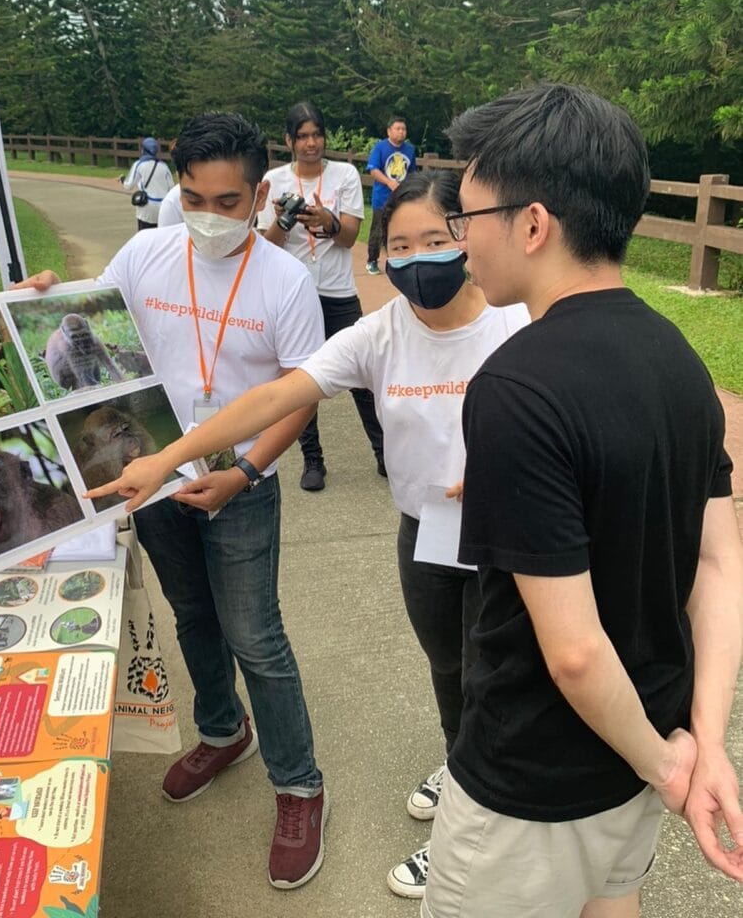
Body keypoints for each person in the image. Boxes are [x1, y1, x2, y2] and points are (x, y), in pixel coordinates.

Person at [85, 168, 529, 900]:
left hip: (507, 538)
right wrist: (166, 459)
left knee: (501, 677)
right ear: (380, 255)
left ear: (467, 236)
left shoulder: (519, 324)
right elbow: (277, 395)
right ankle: (464, 770)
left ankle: (471, 838)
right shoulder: (380, 334)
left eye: (435, 240)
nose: (418, 259)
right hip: (424, 535)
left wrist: (508, 473)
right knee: (450, 671)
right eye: (400, 246)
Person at [412, 82, 743, 917]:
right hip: (645, 740)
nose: (460, 240)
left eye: (468, 218)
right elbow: (719, 561)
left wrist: (670, 766)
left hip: (532, 779)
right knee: (612, 899)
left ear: (532, 224)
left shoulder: (515, 388)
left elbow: (574, 653)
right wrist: (702, 743)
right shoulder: (680, 360)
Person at [18, 112, 328, 891]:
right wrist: (42, 297)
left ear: (260, 196)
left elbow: (301, 396)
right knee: (192, 614)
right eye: (193, 199)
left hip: (239, 485)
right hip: (153, 475)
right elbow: (81, 321)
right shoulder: (146, 254)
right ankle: (222, 730)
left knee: (256, 636)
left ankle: (299, 785)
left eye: (227, 202)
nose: (208, 217)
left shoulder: (286, 282)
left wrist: (244, 473)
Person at [259, 101, 385, 490]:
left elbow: (348, 238)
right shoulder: (274, 180)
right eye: (302, 136)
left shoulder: (343, 174)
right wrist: (285, 220)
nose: (311, 143)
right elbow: (267, 247)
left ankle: (385, 452)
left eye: (317, 135)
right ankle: (312, 460)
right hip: (294, 294)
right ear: (288, 141)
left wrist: (327, 221)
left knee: (362, 375)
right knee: (300, 379)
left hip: (337, 291)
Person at [365, 116, 416, 275]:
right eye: (398, 129)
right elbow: (373, 170)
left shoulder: (410, 150)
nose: (401, 132)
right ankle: (372, 260)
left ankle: (398, 260)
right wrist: (389, 182)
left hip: (402, 198)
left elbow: (412, 173)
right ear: (389, 131)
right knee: (378, 229)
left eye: (404, 129)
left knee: (401, 229)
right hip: (382, 197)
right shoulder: (380, 148)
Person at [122, 137, 175, 231]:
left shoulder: (139, 164)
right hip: (162, 208)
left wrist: (122, 180)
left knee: (144, 234)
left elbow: (128, 185)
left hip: (146, 208)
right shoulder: (164, 166)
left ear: (143, 150)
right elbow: (171, 187)